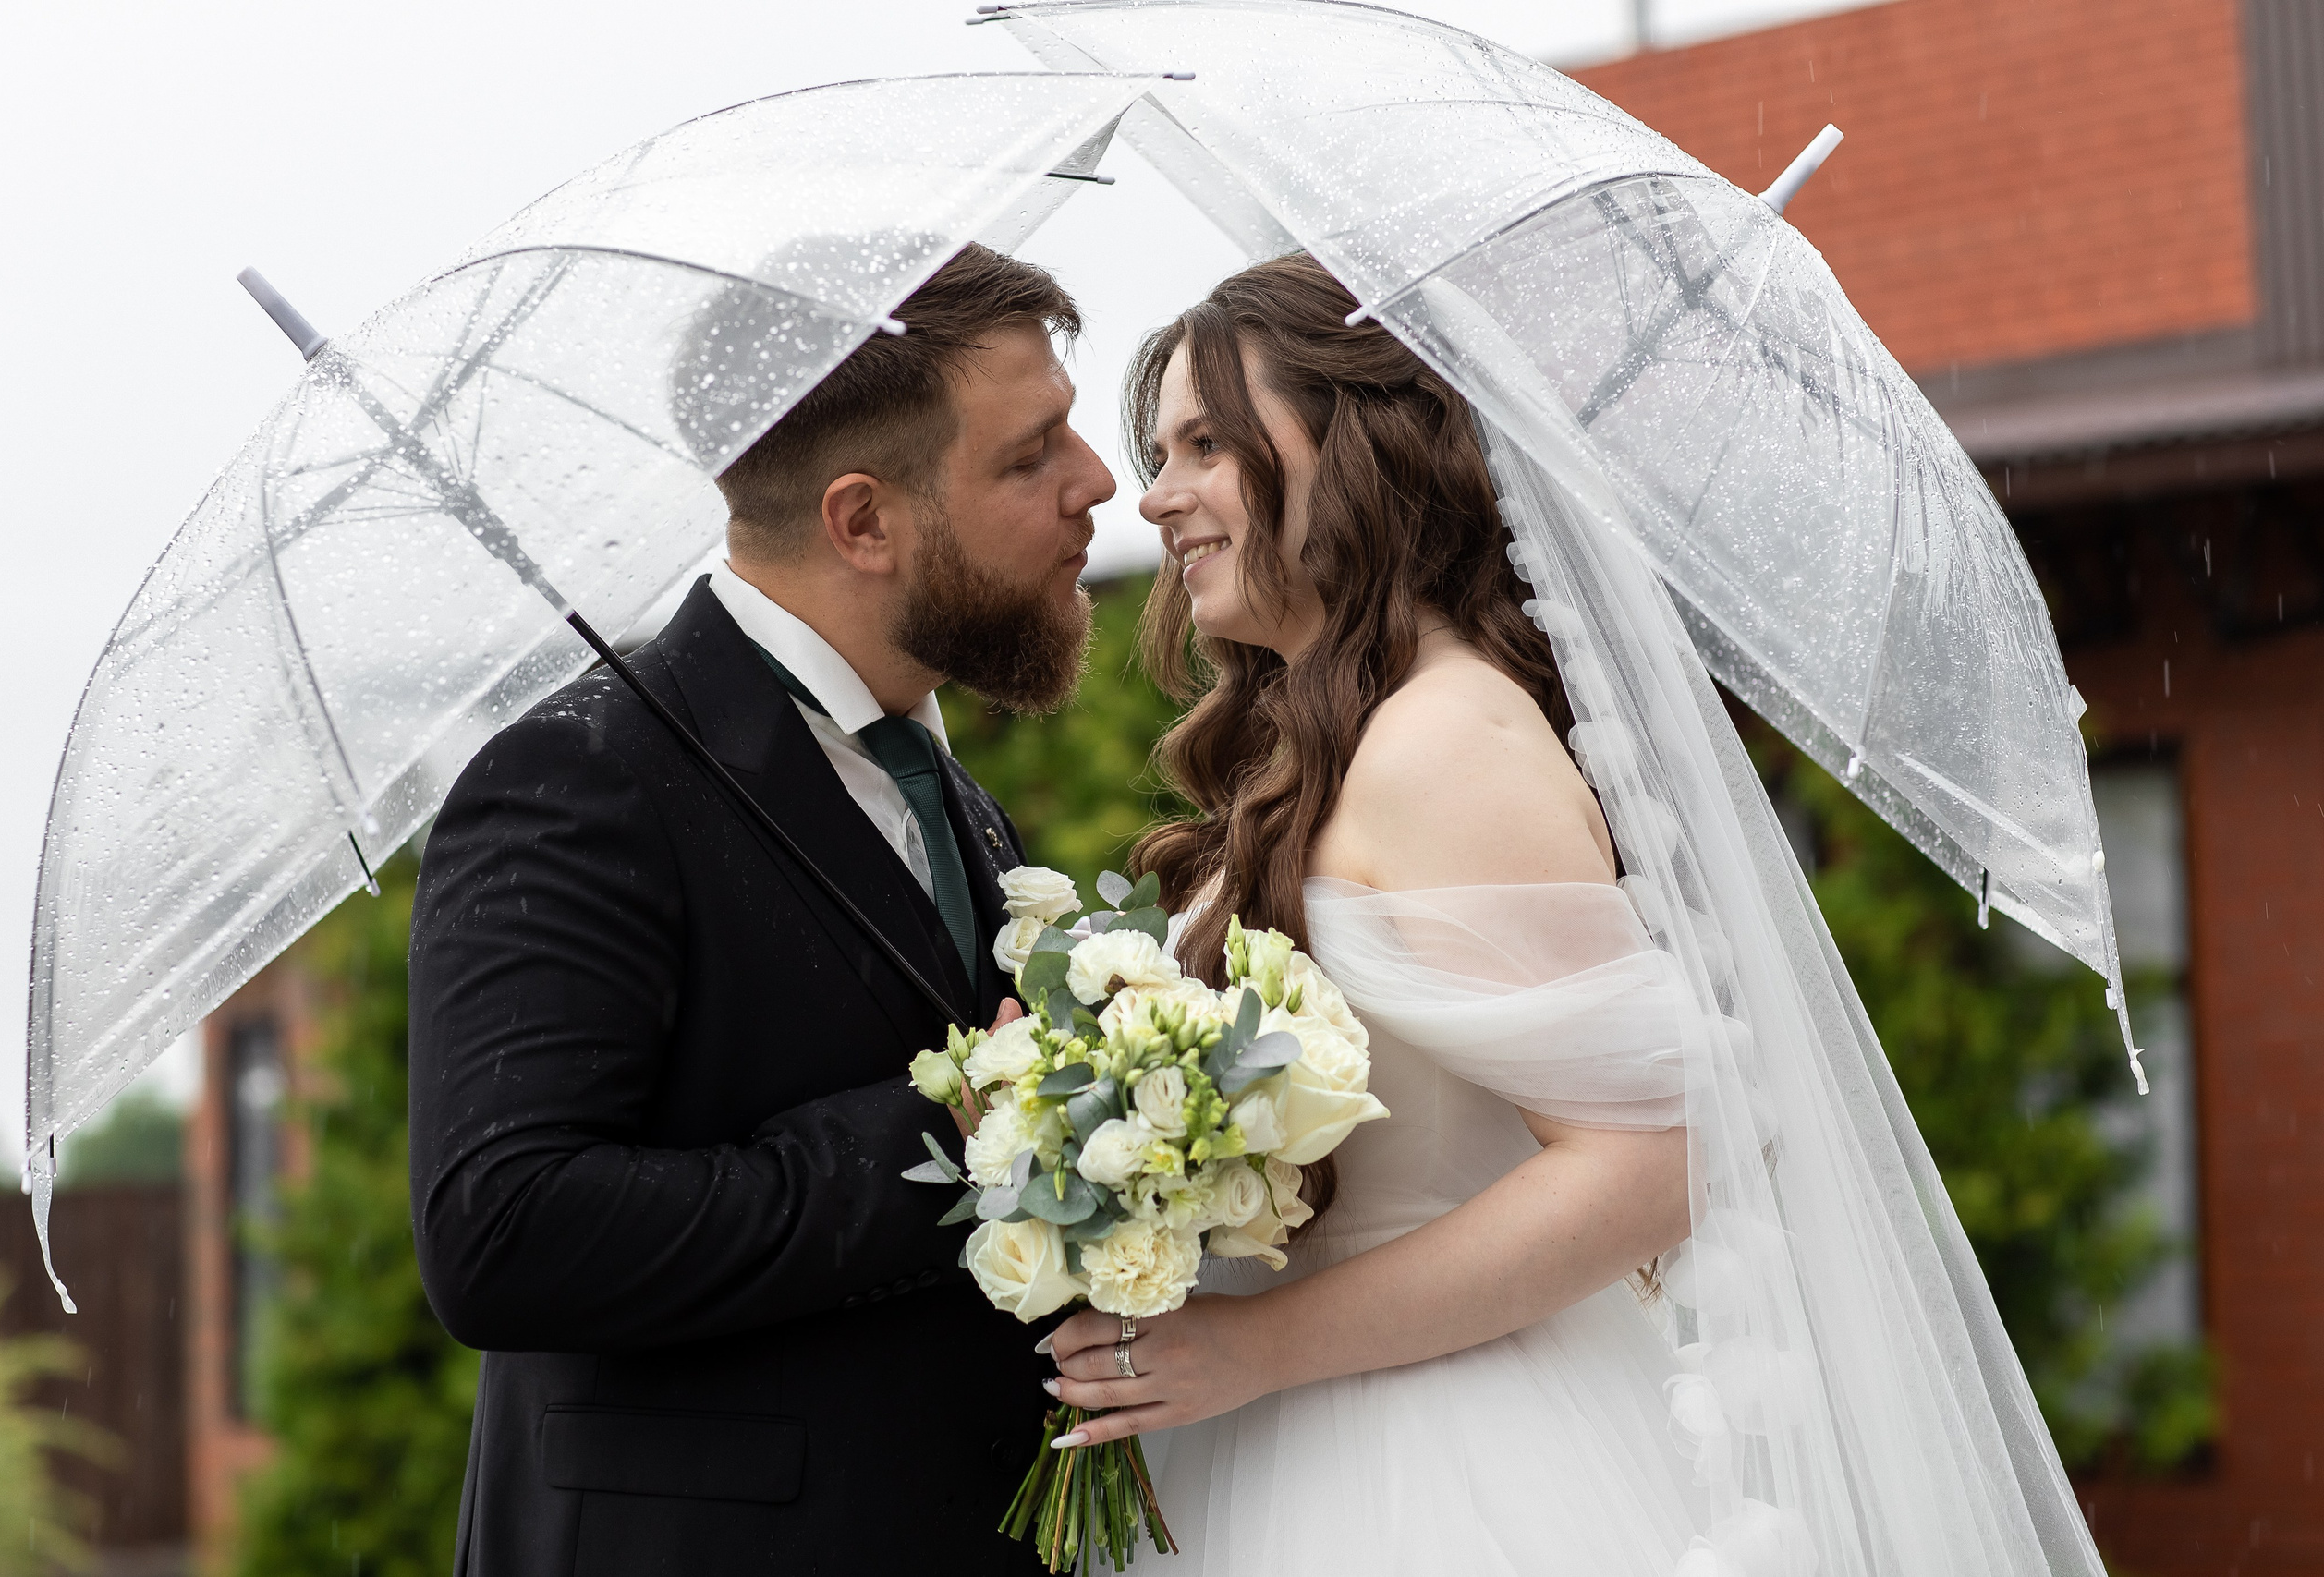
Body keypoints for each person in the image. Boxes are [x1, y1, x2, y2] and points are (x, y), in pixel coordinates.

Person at [1040, 253, 2110, 1577]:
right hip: (1288, 1436)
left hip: (1435, 1471)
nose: (1157, 496)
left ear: (1354, 452)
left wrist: (1258, 1346)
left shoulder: (1447, 741)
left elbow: (1650, 1166)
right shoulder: (1340, 737)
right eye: (1162, 450)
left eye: (1207, 442)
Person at [406, 243, 1113, 1576]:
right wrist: (949, 1132)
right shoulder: (583, 780)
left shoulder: (947, 786)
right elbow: (502, 1232)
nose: (1097, 484)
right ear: (863, 521)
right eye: (1031, 456)